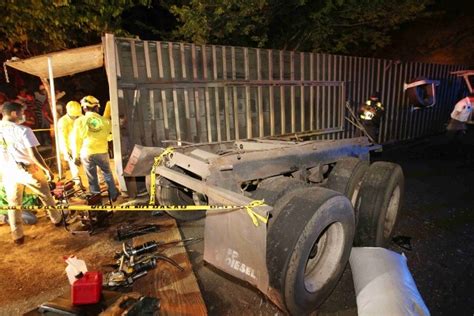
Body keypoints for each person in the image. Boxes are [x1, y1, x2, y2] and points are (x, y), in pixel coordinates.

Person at [0, 102, 62, 245]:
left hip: (8, 172)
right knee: (45, 195)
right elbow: (34, 154)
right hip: (28, 170)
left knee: (13, 203)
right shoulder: (23, 130)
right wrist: (47, 169)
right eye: (22, 113)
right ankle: (57, 220)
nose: (23, 116)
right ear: (14, 113)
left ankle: (17, 236)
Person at [72, 96, 119, 201]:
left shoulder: (79, 121)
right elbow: (109, 136)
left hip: (86, 153)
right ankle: (113, 194)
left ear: (84, 108)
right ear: (97, 107)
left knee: (92, 179)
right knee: (107, 173)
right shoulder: (105, 121)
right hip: (102, 151)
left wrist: (76, 155)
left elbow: (76, 140)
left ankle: (96, 198)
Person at [58, 101, 83, 184]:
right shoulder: (63, 122)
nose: (76, 117)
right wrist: (67, 152)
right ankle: (78, 185)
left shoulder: (81, 117)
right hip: (71, 148)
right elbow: (62, 138)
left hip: (83, 147)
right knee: (75, 168)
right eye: (74, 116)